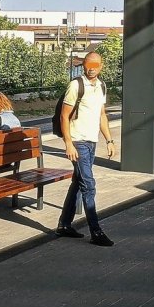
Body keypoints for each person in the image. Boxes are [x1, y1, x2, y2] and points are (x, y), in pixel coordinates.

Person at [55, 51, 116, 247]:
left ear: (101, 66)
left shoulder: (101, 86)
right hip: (78, 141)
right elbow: (64, 116)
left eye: (95, 65)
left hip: (91, 141)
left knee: (78, 182)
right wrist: (68, 143)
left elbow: (102, 116)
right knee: (88, 185)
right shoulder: (75, 85)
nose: (91, 68)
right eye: (88, 65)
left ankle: (64, 225)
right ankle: (96, 231)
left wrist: (109, 140)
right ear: (83, 66)